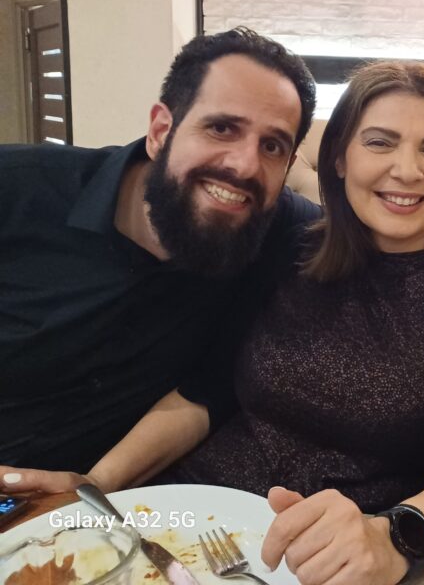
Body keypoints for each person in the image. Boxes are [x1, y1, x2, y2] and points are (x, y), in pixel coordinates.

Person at [7, 61, 424, 585]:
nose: (407, 170)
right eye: (380, 142)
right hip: (190, 531)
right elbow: (208, 389)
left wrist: (394, 540)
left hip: (332, 559)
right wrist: (97, 485)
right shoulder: (290, 246)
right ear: (338, 158)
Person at [0, 27, 321, 474]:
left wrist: (91, 486)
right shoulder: (16, 187)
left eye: (272, 146)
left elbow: (208, 387)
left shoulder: (276, 232)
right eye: (222, 128)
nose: (245, 165)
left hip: (106, 505)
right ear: (160, 131)